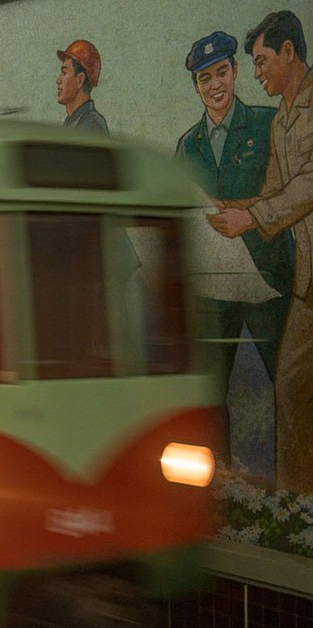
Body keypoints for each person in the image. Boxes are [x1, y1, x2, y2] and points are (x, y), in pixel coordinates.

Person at [207, 10, 312, 492]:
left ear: (289, 53)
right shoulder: (282, 120)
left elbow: (308, 185)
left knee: (291, 384)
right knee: (291, 388)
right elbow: (274, 191)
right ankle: (299, 501)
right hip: (306, 282)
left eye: (262, 60)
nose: (256, 73)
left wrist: (249, 218)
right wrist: (229, 209)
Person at [175, 31, 293, 448]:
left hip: (268, 280)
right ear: (196, 86)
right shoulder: (188, 146)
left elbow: (287, 194)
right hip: (215, 288)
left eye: (221, 73)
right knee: (209, 397)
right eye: (205, 79)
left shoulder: (266, 123)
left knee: (290, 389)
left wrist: (237, 209)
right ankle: (220, 487)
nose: (215, 86)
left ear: (236, 71)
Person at [56, 40, 109, 135]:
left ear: (80, 80)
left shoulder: (92, 124)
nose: (58, 80)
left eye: (64, 72)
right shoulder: (71, 121)